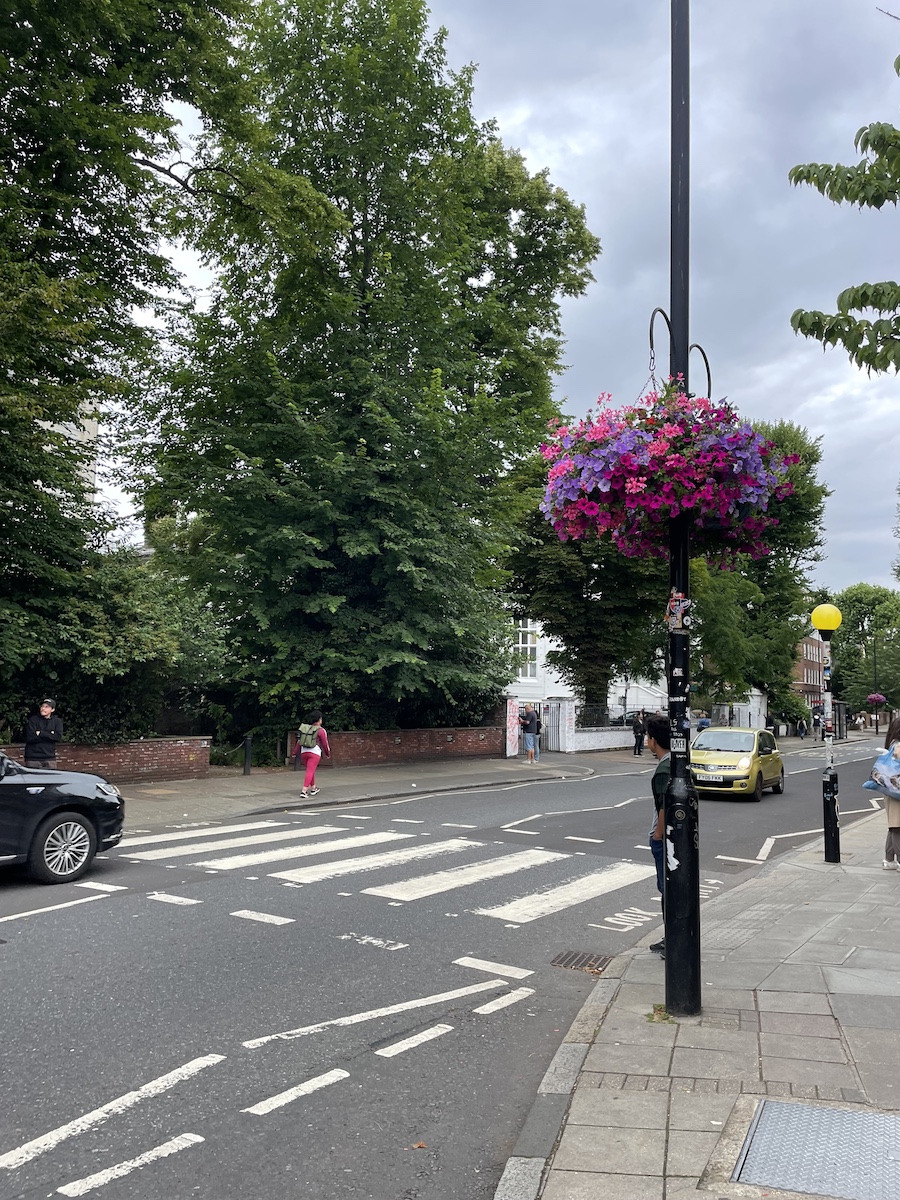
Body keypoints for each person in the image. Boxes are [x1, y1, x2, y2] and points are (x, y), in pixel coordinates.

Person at [644, 715, 671, 959]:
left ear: (653, 740)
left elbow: (665, 806)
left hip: (665, 841)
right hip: (672, 839)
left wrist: (657, 835)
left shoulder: (664, 769)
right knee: (670, 891)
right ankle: (672, 936)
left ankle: (672, 939)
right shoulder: (675, 762)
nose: (646, 740)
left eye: (647, 736)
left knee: (667, 891)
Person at [294, 711, 331, 799]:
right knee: (310, 771)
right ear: (320, 719)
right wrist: (327, 753)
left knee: (311, 770)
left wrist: (295, 752)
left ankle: (313, 788)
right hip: (314, 753)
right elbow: (325, 744)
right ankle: (304, 791)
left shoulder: (306, 729)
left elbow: (299, 741)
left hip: (304, 752)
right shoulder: (321, 730)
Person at [881, 717, 900, 870]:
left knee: (894, 825)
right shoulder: (898, 747)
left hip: (891, 790)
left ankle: (889, 859)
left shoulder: (892, 744)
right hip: (897, 791)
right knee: (897, 826)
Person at [24, 699, 63, 769]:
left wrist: (41, 733)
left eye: (46, 707)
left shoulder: (57, 721)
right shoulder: (33, 720)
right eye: (42, 706)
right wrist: (50, 735)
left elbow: (57, 738)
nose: (43, 709)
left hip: (50, 758)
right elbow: (30, 738)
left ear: (52, 710)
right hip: (33, 759)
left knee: (51, 780)